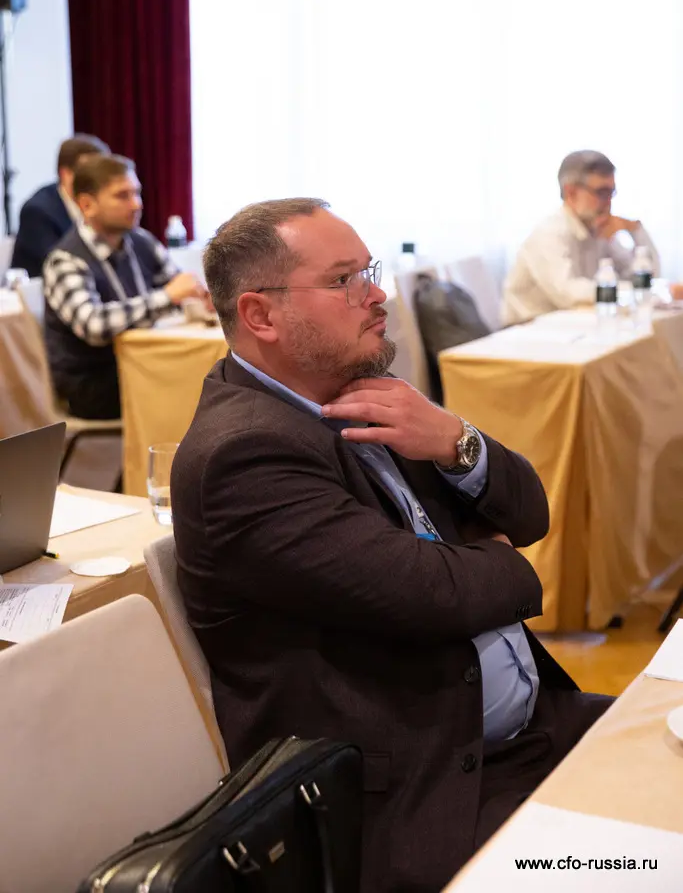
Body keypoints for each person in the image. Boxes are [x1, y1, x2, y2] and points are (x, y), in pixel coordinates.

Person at [171, 197, 612, 893]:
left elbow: (528, 513)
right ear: (260, 315)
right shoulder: (244, 455)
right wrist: (496, 557)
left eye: (368, 272)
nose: (376, 295)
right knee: (642, 862)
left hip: (525, 729)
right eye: (343, 280)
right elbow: (437, 596)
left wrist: (456, 440)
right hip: (426, 789)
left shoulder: (365, 392)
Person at [43, 154, 206, 420]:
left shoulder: (142, 241)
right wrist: (168, 297)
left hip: (140, 364)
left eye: (137, 193)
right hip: (93, 384)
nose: (136, 204)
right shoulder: (66, 260)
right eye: (122, 196)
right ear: (87, 205)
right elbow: (94, 325)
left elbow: (181, 288)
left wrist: (200, 299)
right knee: (192, 384)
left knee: (205, 374)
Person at [502, 150, 661, 326]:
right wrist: (632, 289)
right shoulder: (549, 233)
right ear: (571, 193)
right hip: (527, 330)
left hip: (571, 326)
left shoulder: (597, 228)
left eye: (611, 192)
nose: (608, 201)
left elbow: (646, 276)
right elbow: (568, 294)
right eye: (601, 192)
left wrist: (635, 230)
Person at [11, 134, 111, 277]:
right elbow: (59, 265)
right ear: (66, 174)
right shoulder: (38, 212)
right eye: (89, 175)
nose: (98, 182)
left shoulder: (103, 204)